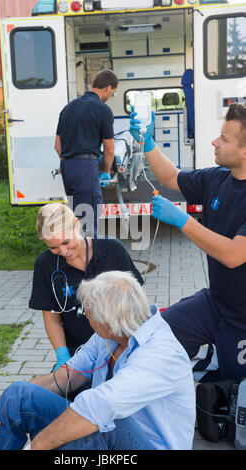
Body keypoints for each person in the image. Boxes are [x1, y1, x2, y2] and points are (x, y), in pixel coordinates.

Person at [0, 271, 195, 451]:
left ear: (109, 322)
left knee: (97, 424)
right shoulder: (109, 336)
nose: (85, 316)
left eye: (87, 313)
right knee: (18, 395)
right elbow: (64, 377)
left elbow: (100, 406)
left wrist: (37, 445)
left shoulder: (161, 355)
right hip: (105, 426)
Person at [130, 102, 246, 381]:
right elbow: (171, 177)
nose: (214, 141)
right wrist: (147, 142)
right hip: (215, 303)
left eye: (224, 139)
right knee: (153, 337)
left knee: (234, 393)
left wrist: (183, 221)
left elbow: (233, 254)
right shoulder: (216, 178)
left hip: (243, 321)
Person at [29, 203, 143, 372]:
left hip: (118, 346)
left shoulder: (112, 250)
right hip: (78, 351)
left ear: (76, 224)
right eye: (53, 247)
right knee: (63, 390)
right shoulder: (45, 265)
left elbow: (136, 304)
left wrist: (130, 346)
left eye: (66, 242)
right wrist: (63, 355)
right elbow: (52, 318)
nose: (63, 251)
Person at [55, 68, 118, 234]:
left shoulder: (68, 108)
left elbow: (57, 145)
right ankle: (88, 257)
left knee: (76, 218)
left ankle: (77, 253)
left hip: (67, 168)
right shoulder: (103, 110)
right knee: (88, 221)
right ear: (108, 88)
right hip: (85, 168)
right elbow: (109, 150)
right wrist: (105, 171)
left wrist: (69, 161)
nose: (110, 96)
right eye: (112, 93)